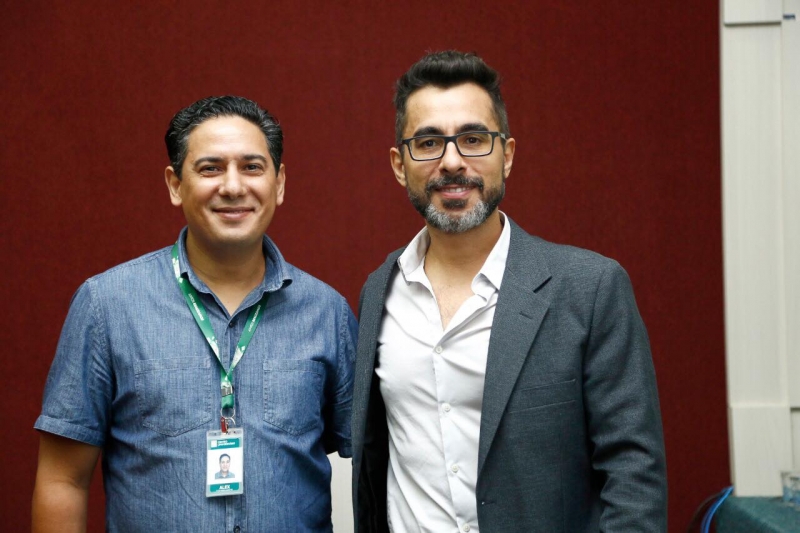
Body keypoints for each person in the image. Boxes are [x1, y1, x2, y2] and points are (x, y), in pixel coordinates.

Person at [351, 51, 667, 532]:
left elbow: (634, 475)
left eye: (473, 139)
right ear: (399, 164)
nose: (451, 162)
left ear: (508, 155)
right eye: (428, 143)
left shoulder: (590, 289)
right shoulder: (380, 291)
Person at [32, 95, 356, 532]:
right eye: (210, 168)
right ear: (175, 184)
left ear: (279, 183)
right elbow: (62, 480)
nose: (233, 186)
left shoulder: (327, 313)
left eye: (252, 167)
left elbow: (374, 465)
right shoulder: (107, 305)